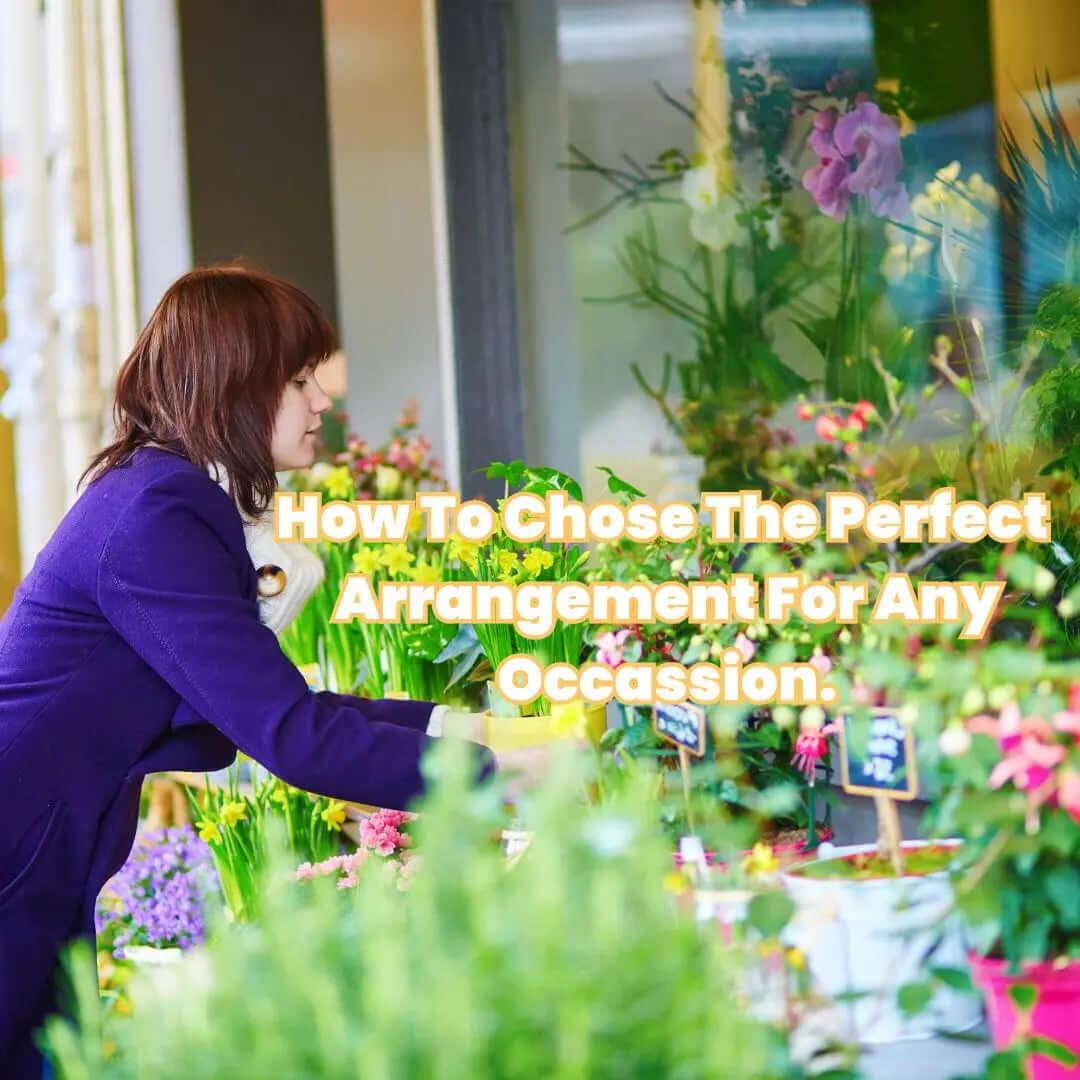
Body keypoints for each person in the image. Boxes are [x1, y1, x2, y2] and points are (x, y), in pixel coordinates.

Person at [0, 266, 524, 1076]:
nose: (323, 402)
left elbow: (275, 710)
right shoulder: (155, 517)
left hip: (38, 851)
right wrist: (501, 772)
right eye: (301, 379)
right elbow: (293, 736)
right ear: (236, 386)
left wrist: (480, 731)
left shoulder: (161, 498)